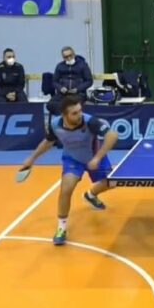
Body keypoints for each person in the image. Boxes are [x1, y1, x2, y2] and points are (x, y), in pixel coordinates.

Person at [21, 95, 118, 245]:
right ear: (64, 115)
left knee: (112, 183)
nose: (79, 115)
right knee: (66, 189)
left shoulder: (90, 121)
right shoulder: (55, 125)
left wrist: (98, 158)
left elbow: (112, 135)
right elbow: (48, 142)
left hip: (94, 157)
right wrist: (32, 158)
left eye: (80, 111)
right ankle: (61, 228)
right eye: (74, 113)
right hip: (72, 160)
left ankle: (91, 195)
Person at [47, 46, 93, 114]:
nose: (69, 58)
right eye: (66, 57)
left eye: (70, 55)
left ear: (74, 54)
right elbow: (54, 82)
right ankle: (63, 117)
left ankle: (66, 118)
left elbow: (89, 81)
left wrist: (77, 89)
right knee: (50, 104)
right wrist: (60, 88)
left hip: (78, 94)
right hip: (63, 94)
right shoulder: (60, 66)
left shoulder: (83, 65)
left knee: (70, 105)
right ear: (63, 57)